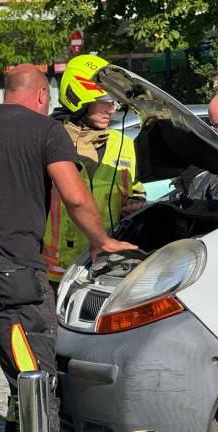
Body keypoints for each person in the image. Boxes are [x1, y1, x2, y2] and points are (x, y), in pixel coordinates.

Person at [0, 63, 137, 431]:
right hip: (12, 276)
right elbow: (76, 197)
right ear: (40, 95)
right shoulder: (46, 130)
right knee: (34, 377)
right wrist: (102, 241)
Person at [43, 54, 146, 286]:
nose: (112, 110)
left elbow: (136, 188)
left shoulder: (124, 144)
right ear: (79, 99)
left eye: (114, 103)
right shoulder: (48, 142)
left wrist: (136, 201)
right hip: (55, 271)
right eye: (105, 101)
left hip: (105, 265)